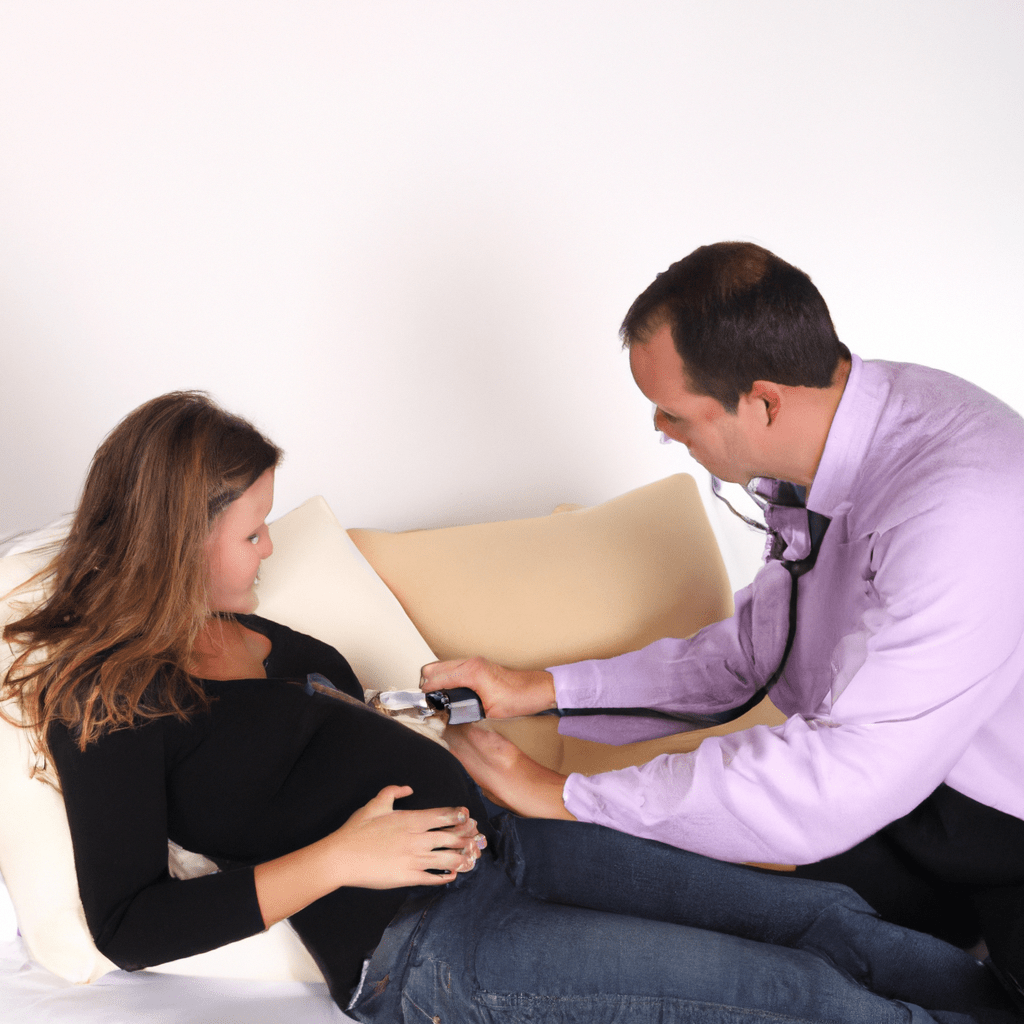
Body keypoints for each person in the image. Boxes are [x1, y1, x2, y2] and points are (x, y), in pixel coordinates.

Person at [2, 390, 1018, 1023]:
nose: (269, 551)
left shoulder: (274, 641)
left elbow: (335, 745)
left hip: (512, 844)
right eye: (253, 532)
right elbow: (129, 924)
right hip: (419, 948)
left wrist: (465, 737)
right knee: (806, 999)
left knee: (823, 919)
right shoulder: (110, 699)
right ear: (179, 534)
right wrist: (341, 861)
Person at [421, 241, 1024, 1007]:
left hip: (1000, 821)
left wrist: (566, 793)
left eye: (675, 413)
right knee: (739, 938)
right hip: (914, 809)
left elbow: (839, 780)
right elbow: (753, 657)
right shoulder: (828, 442)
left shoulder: (958, 507)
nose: (660, 428)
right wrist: (534, 690)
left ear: (764, 401)